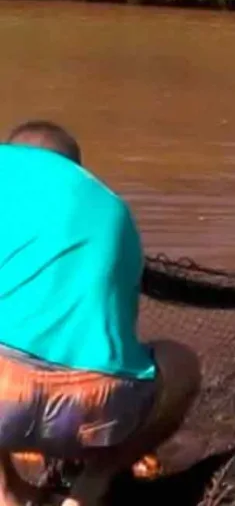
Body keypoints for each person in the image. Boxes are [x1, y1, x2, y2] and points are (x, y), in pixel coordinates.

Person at [0, 122, 201, 506]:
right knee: (182, 365)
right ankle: (92, 484)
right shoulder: (111, 206)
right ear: (78, 168)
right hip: (98, 405)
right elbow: (118, 332)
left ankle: (5, 490)